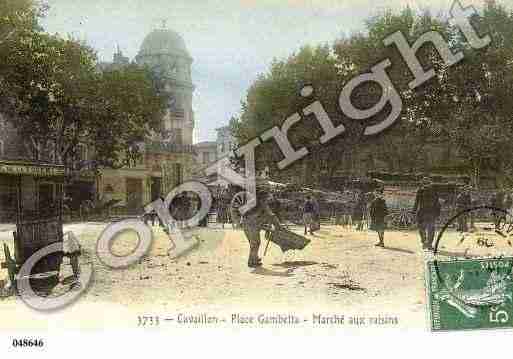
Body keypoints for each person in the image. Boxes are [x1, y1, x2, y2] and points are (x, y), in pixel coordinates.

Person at [241, 189, 282, 268]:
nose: (268, 199)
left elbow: (243, 213)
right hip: (251, 225)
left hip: (246, 224)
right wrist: (278, 226)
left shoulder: (252, 202)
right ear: (263, 197)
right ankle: (251, 262)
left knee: (254, 243)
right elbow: (271, 215)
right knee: (255, 243)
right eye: (267, 197)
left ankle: (254, 259)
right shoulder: (262, 203)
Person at [414, 177, 441, 250]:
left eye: (427, 183)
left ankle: (428, 243)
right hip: (424, 213)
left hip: (428, 213)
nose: (426, 185)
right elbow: (417, 202)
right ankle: (426, 242)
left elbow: (437, 203)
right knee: (424, 229)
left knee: (428, 229)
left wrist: (438, 213)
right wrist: (414, 211)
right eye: (425, 183)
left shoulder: (432, 191)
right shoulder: (420, 191)